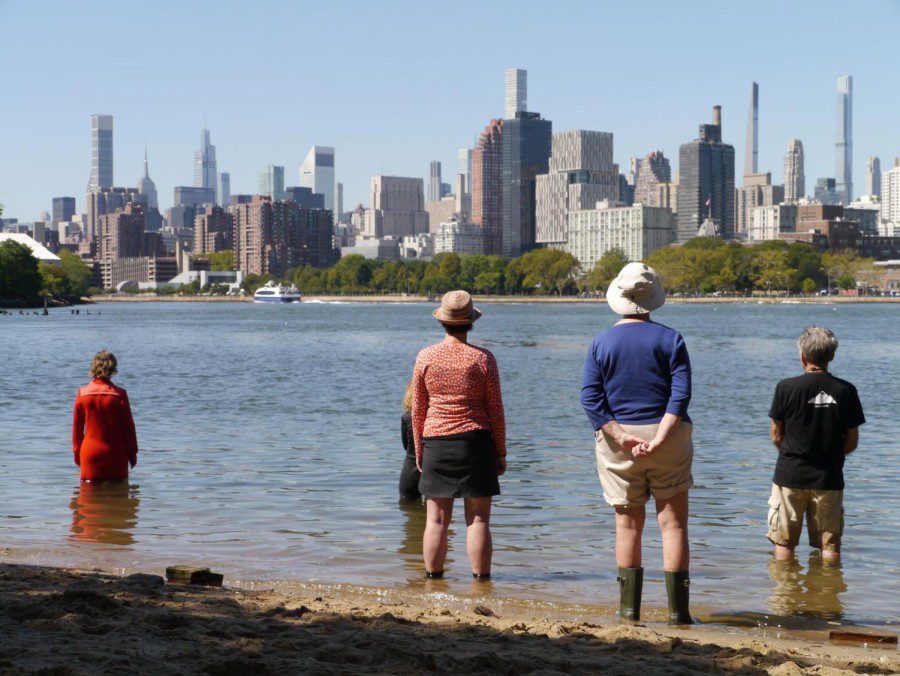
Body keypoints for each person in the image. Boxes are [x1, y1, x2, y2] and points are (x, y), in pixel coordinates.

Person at [580, 262, 694, 624]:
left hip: (619, 440)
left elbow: (590, 398)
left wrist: (619, 434)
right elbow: (681, 394)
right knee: (672, 525)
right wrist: (661, 435)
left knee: (628, 526)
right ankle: (679, 615)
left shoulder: (600, 342)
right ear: (652, 301)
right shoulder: (672, 339)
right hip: (668, 435)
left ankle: (629, 613)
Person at [411, 290, 506, 580]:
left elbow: (418, 410)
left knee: (436, 520)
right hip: (475, 442)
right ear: (471, 322)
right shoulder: (483, 359)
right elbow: (495, 410)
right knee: (478, 519)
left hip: (436, 441)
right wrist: (500, 452)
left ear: (443, 321)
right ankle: (481, 583)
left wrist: (420, 452)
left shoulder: (425, 357)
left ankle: (433, 580)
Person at [767, 327, 864, 563]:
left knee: (784, 542)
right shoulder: (846, 390)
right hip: (829, 478)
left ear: (803, 356)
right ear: (831, 356)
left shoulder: (785, 387)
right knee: (829, 545)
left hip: (790, 476)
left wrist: (794, 454)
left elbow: (776, 435)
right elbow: (852, 441)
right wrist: (829, 456)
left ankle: (785, 593)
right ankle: (828, 595)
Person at [72, 351, 138, 482]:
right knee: (119, 497)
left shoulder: (82, 394)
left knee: (88, 498)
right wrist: (132, 454)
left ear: (93, 367)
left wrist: (77, 455)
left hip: (89, 453)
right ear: (113, 368)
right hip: (116, 453)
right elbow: (129, 429)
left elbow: (77, 431)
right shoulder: (120, 395)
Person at [399, 380, 422, 501]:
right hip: (435, 472)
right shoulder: (437, 417)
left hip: (411, 470)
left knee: (409, 510)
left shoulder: (407, 417)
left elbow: (406, 446)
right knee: (439, 517)